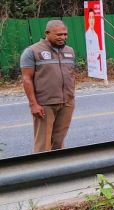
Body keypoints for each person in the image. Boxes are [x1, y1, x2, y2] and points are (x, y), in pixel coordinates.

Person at [20, 20, 76, 153]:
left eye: (65, 34)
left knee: (59, 141)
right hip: (45, 104)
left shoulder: (70, 51)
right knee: (43, 144)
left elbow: (72, 74)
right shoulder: (32, 51)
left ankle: (57, 170)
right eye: (59, 35)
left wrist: (71, 97)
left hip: (66, 103)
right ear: (47, 33)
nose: (63, 37)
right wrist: (33, 104)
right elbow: (26, 78)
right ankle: (41, 171)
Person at [85, 8, 102, 75]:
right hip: (92, 61)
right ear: (88, 20)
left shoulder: (96, 34)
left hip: (97, 62)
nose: (91, 20)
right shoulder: (87, 34)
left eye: (93, 18)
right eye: (90, 17)